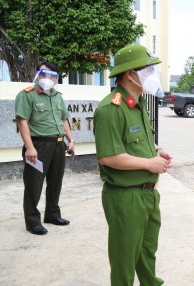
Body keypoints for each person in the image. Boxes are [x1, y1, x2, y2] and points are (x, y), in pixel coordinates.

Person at [93, 44, 172, 286]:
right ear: (129, 74)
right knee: (124, 260)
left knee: (147, 253)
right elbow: (108, 157)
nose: (153, 76)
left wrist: (157, 151)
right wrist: (150, 163)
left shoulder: (137, 104)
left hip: (148, 194)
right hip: (125, 198)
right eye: (148, 70)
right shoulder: (110, 109)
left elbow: (135, 142)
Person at [15, 61, 75, 235]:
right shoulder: (27, 95)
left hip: (58, 143)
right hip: (38, 145)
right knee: (34, 184)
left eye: (51, 75)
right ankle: (33, 221)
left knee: (56, 182)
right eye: (42, 74)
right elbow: (22, 121)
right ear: (37, 75)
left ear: (56, 78)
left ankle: (52, 214)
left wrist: (70, 139)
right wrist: (30, 148)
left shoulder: (58, 96)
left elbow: (64, 120)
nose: (46, 78)